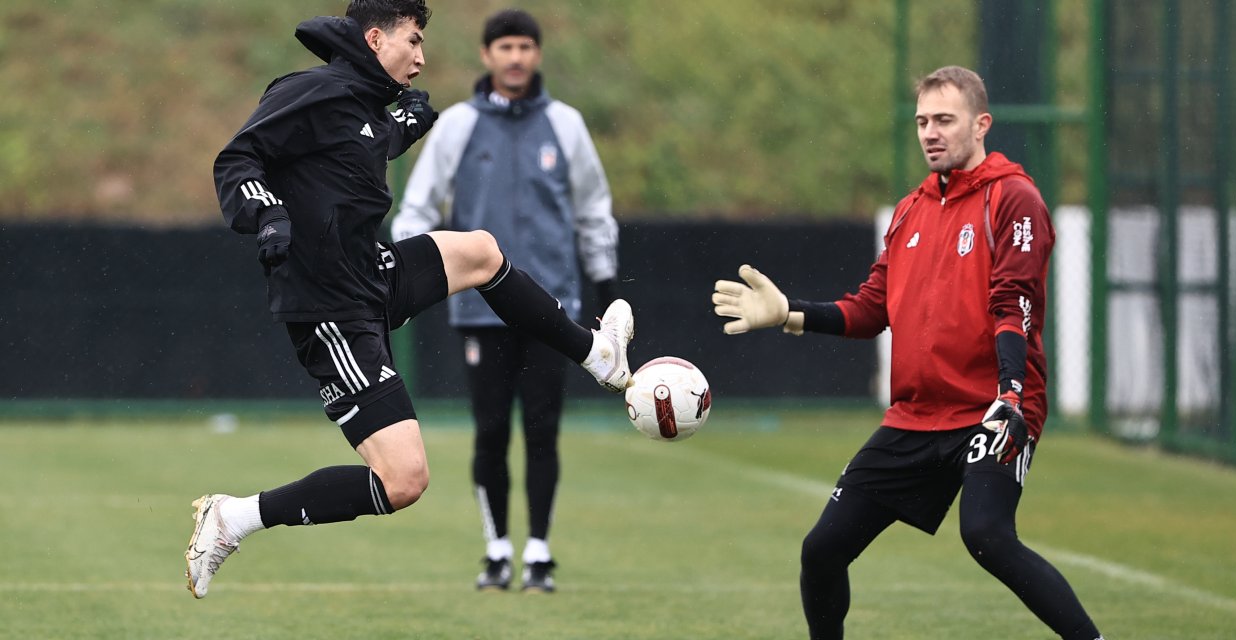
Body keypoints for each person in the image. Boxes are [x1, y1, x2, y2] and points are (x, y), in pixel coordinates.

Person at [188, 0, 635, 600]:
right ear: (376, 39)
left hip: (372, 273)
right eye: (414, 42)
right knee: (403, 480)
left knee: (479, 250)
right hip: (331, 310)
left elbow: (350, 151)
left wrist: (400, 127)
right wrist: (265, 213)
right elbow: (238, 157)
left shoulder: (364, 104)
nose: (422, 59)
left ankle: (596, 354)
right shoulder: (311, 90)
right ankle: (235, 517)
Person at [712, 66, 1105, 640]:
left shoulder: (1014, 198)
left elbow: (1012, 303)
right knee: (822, 550)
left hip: (992, 408)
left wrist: (1011, 394)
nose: (930, 132)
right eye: (922, 121)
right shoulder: (910, 211)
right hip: (916, 416)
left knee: (988, 537)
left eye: (945, 119)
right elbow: (871, 311)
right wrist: (789, 312)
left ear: (981, 124)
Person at [390, 8, 617, 594]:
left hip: (554, 309)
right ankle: (496, 551)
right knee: (490, 430)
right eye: (505, 47)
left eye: (525, 47)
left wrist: (606, 289)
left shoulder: (566, 126)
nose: (516, 57)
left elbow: (593, 211)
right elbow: (416, 209)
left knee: (543, 430)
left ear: (537, 54)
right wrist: (423, 274)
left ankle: (538, 551)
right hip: (479, 309)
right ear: (487, 56)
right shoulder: (459, 125)